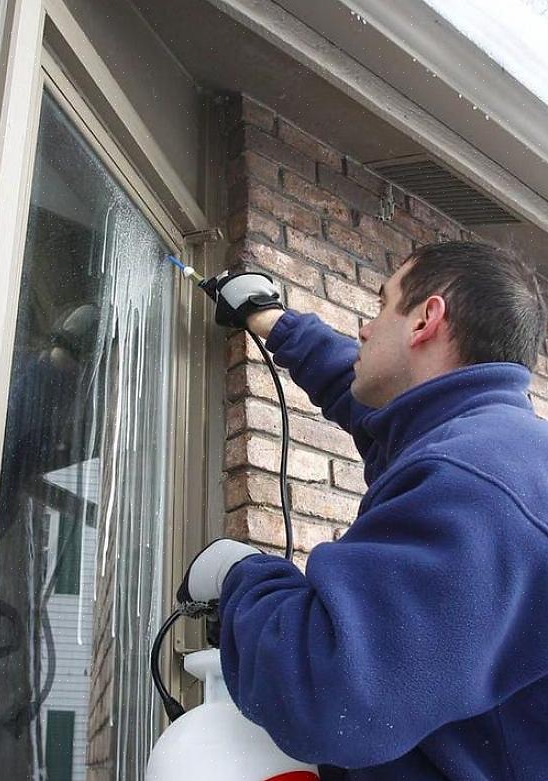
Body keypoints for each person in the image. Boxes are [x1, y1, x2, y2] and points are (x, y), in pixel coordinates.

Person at [177, 241, 548, 780]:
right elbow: (374, 405)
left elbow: (325, 691)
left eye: (381, 306)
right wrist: (273, 322)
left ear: (426, 320)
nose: (365, 330)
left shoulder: (474, 486)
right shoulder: (491, 447)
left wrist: (242, 577)